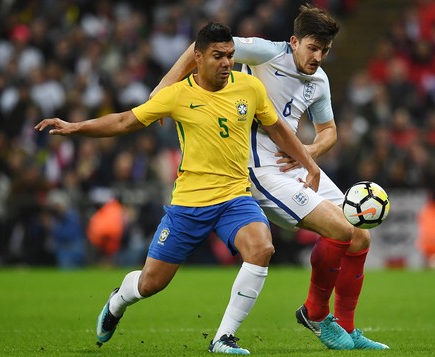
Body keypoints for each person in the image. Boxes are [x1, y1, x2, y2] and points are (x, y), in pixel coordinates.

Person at [35, 22, 320, 355]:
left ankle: (223, 338)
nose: (227, 63)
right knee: (150, 283)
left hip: (234, 198)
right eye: (218, 56)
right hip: (189, 205)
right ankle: (118, 301)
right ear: (197, 58)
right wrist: (76, 127)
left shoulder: (249, 88)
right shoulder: (177, 95)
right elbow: (125, 121)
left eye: (230, 55)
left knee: (261, 248)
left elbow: (279, 129)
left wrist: (310, 164)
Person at [151, 4, 388, 350]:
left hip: (292, 165)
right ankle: (315, 314)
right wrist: (163, 86)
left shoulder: (319, 80)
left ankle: (349, 329)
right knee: (340, 229)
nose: (318, 56)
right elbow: (199, 48)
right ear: (293, 41)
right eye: (312, 47)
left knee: (359, 238)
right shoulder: (264, 52)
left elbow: (329, 132)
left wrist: (307, 152)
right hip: (258, 169)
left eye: (324, 50)